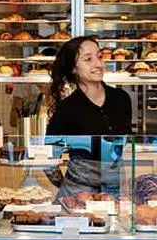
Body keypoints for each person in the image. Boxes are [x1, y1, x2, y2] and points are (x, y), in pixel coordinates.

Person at [45, 36, 131, 197]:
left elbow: (123, 148)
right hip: (78, 195)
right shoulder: (66, 109)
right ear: (73, 68)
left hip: (114, 193)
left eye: (99, 57)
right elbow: (47, 160)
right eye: (88, 59)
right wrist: (68, 188)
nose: (98, 64)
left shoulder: (121, 99)